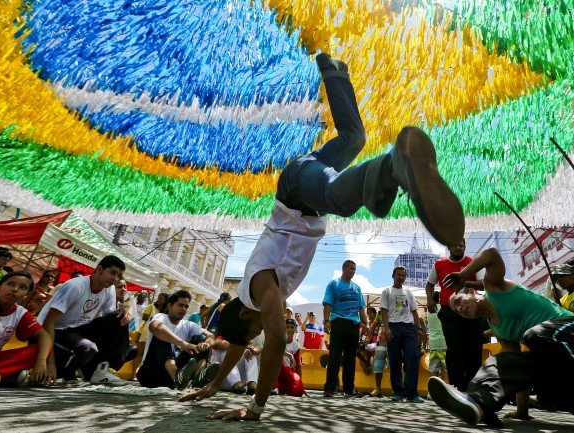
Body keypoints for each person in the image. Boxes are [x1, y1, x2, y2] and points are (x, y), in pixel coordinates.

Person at [178, 53, 464, 420]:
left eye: (255, 332)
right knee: (354, 137)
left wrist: (255, 407)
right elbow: (236, 344)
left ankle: (391, 167)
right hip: (305, 174)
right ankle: (334, 73)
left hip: (297, 193)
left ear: (251, 321)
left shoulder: (259, 289)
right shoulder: (245, 304)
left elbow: (276, 340)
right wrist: (214, 385)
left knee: (336, 199)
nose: (262, 330)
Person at [428, 247, 574, 431]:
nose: (460, 308)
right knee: (502, 360)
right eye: (457, 310)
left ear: (472, 292)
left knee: (533, 335)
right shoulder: (499, 330)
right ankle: (477, 403)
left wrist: (463, 275)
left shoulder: (494, 287)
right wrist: (521, 412)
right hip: (562, 357)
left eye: (459, 301)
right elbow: (515, 370)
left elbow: (491, 254)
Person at [37, 255, 132, 384]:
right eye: (112, 273)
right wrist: (50, 363)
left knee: (120, 316)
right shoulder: (75, 287)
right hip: (53, 330)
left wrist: (127, 309)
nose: (115, 279)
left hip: (78, 328)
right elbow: (48, 323)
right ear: (99, 270)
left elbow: (111, 319)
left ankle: (101, 370)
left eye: (119, 276)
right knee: (88, 348)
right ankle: (66, 373)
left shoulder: (109, 289)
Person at [425, 240, 485, 391]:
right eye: (455, 244)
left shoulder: (473, 262)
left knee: (473, 349)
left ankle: (474, 389)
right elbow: (429, 285)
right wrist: (430, 300)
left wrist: (465, 283)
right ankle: (457, 388)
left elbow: (484, 284)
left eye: (461, 245)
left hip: (471, 313)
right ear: (448, 247)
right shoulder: (439, 264)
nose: (458, 247)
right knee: (454, 349)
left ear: (465, 246)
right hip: (448, 312)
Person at [137, 290, 214, 390]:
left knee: (201, 338)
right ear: (169, 306)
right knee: (162, 337)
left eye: (186, 307)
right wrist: (183, 343)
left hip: (173, 374)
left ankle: (196, 378)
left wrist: (205, 344)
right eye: (180, 305)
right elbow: (155, 327)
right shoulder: (161, 317)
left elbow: (211, 336)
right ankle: (177, 379)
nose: (183, 309)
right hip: (152, 373)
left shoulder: (188, 325)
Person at [323, 260, 368, 397]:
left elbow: (361, 308)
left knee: (350, 358)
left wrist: (365, 324)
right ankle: (329, 389)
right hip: (338, 322)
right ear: (343, 268)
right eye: (351, 268)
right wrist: (326, 321)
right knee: (334, 357)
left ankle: (349, 389)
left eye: (355, 269)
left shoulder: (357, 287)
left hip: (354, 325)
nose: (353, 271)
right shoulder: (334, 284)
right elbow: (327, 304)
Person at [380, 266, 424, 402]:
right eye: (398, 275)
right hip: (393, 327)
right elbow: (383, 311)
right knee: (395, 360)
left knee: (412, 357)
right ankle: (398, 392)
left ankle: (412, 393)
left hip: (408, 328)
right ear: (393, 275)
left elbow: (415, 311)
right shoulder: (387, 291)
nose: (401, 277)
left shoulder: (409, 292)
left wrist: (419, 328)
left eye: (403, 275)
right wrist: (386, 328)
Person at [276, 318, 306, 396]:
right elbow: (273, 352)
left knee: (299, 391)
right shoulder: (277, 339)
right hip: (275, 368)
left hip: (287, 371)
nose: (289, 329)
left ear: (295, 329)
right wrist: (289, 354)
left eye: (292, 327)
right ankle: (275, 386)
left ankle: (282, 387)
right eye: (287, 327)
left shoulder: (295, 345)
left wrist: (300, 384)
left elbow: (297, 366)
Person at [427, 291, 447, 382]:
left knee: (433, 372)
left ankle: (431, 393)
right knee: (446, 372)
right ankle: (448, 392)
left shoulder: (429, 311)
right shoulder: (443, 309)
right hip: (444, 345)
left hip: (433, 345)